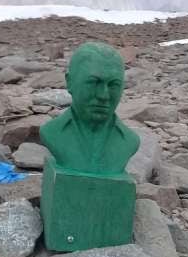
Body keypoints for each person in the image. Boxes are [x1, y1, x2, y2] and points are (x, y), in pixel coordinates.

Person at [40, 42, 139, 175]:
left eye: (113, 85)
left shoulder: (129, 141)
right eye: (93, 82)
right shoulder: (51, 132)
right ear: (70, 82)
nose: (103, 95)